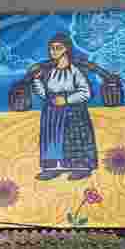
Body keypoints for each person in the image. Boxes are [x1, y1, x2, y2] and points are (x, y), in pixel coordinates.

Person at [30, 33, 98, 181]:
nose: (53, 51)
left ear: (66, 49)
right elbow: (44, 94)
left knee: (74, 140)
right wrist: (36, 81)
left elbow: (86, 93)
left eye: (57, 48)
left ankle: (80, 168)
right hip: (52, 112)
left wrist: (67, 99)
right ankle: (53, 168)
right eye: (51, 48)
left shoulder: (74, 71)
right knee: (52, 139)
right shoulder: (50, 72)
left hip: (72, 112)